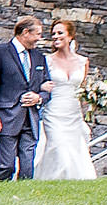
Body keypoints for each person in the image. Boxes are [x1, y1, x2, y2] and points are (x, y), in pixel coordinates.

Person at [0, 15, 49, 182]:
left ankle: (24, 201)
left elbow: (47, 87)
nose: (39, 39)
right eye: (37, 34)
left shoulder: (39, 57)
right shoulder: (0, 52)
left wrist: (38, 97)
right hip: (7, 117)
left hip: (30, 118)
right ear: (25, 32)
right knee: (6, 165)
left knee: (27, 167)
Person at [34, 18, 99, 180]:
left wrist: (93, 98)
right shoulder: (46, 60)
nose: (55, 36)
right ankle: (54, 179)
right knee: (58, 147)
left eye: (60, 33)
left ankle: (77, 180)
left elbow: (83, 88)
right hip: (54, 111)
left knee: (75, 148)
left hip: (74, 112)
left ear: (70, 36)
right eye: (53, 34)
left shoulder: (83, 61)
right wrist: (41, 88)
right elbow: (35, 84)